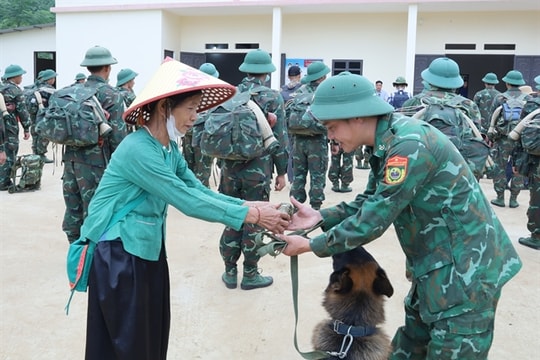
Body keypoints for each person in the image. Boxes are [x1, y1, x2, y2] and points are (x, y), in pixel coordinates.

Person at [279, 71, 523, 360]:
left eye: (332, 127)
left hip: (465, 278)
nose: (330, 136)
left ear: (357, 117)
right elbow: (371, 200)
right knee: (407, 350)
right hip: (435, 269)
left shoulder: (408, 146)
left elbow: (375, 219)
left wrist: (310, 245)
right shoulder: (386, 142)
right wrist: (320, 217)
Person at [78, 58, 291, 359]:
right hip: (120, 257)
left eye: (197, 108)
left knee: (149, 337)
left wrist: (250, 204)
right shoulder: (139, 149)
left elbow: (198, 190)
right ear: (165, 107)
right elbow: (185, 200)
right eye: (190, 108)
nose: (195, 117)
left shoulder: (167, 148)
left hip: (146, 253)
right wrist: (254, 216)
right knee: (126, 345)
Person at [218, 48, 289, 290]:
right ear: (266, 74)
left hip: (229, 168)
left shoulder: (230, 94)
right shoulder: (272, 97)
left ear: (245, 71)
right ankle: (250, 274)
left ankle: (229, 272)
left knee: (231, 217)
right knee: (256, 220)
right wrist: (281, 171)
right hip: (258, 171)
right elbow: (279, 138)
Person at [62, 45, 128, 243]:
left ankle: (74, 251)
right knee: (96, 210)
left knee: (73, 208)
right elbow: (118, 137)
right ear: (107, 68)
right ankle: (89, 257)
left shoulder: (73, 91)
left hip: (70, 161)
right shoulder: (111, 94)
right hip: (97, 164)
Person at [402, 57, 485, 179]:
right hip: (457, 169)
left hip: (420, 168)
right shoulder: (468, 105)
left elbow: (401, 133)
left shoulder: (415, 102)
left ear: (429, 79)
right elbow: (475, 136)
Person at [288, 61, 330, 210]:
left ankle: (296, 206)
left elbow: (289, 114)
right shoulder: (325, 93)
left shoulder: (300, 91)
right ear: (323, 76)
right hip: (318, 141)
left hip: (298, 141)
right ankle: (315, 208)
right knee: (317, 175)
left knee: (298, 175)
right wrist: (335, 142)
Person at [488, 70, 526, 208]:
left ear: (507, 83)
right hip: (521, 140)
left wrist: (491, 137)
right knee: (519, 168)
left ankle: (500, 198)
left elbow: (492, 119)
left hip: (502, 139)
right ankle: (514, 199)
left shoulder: (499, 98)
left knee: (500, 168)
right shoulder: (527, 99)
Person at [182, 62, 218, 187]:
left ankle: (190, 199)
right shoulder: (216, 94)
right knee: (202, 172)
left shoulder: (189, 91)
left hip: (188, 132)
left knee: (188, 169)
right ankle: (202, 200)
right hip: (205, 136)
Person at [516, 75, 540, 250]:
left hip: (537, 161)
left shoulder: (532, 105)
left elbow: (521, 134)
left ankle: (536, 236)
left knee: (537, 199)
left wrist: (517, 159)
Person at [0, 64, 31, 191]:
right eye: (21, 76)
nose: (22, 78)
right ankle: (3, 181)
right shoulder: (15, 90)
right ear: (15, 77)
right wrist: (27, 127)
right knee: (10, 152)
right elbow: (22, 111)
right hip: (8, 126)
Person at [27, 69, 57, 163]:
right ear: (50, 79)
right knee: (43, 134)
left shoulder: (33, 87)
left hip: (33, 114)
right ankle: (41, 154)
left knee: (35, 132)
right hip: (44, 114)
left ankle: (35, 153)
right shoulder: (48, 89)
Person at [281, 65, 303, 183]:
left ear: (288, 76)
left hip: (287, 126)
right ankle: (299, 177)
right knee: (300, 153)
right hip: (301, 126)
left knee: (290, 152)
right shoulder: (303, 90)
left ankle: (291, 178)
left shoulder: (283, 91)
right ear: (299, 75)